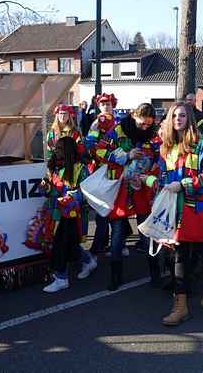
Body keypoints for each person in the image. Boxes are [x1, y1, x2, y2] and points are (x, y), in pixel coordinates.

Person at [155, 102, 203, 326]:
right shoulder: (166, 147)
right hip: (176, 209)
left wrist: (183, 185)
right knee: (180, 255)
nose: (178, 119)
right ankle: (180, 305)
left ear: (189, 119)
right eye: (174, 115)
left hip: (199, 208)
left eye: (182, 115)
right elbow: (163, 177)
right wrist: (147, 182)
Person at [85, 92, 131, 291]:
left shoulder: (121, 124)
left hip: (121, 177)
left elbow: (129, 146)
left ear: (113, 104)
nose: (105, 106)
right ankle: (95, 252)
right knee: (103, 215)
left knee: (118, 215)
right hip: (102, 173)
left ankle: (116, 248)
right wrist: (94, 133)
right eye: (102, 103)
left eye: (108, 103)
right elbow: (90, 148)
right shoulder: (95, 124)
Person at [116, 103, 162, 286]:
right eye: (141, 123)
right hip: (120, 188)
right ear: (134, 116)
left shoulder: (155, 135)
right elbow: (99, 151)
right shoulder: (119, 130)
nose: (145, 127)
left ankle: (155, 274)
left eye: (148, 125)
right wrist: (125, 156)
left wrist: (149, 175)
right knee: (118, 232)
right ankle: (115, 276)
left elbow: (162, 158)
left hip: (144, 189)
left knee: (147, 230)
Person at [42, 137, 95, 292]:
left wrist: (72, 197)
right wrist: (45, 187)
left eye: (60, 149)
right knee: (69, 244)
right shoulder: (54, 167)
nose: (56, 152)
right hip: (57, 212)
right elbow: (52, 190)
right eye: (56, 149)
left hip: (73, 215)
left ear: (69, 151)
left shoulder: (80, 168)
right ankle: (88, 261)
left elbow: (86, 191)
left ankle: (61, 278)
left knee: (60, 244)